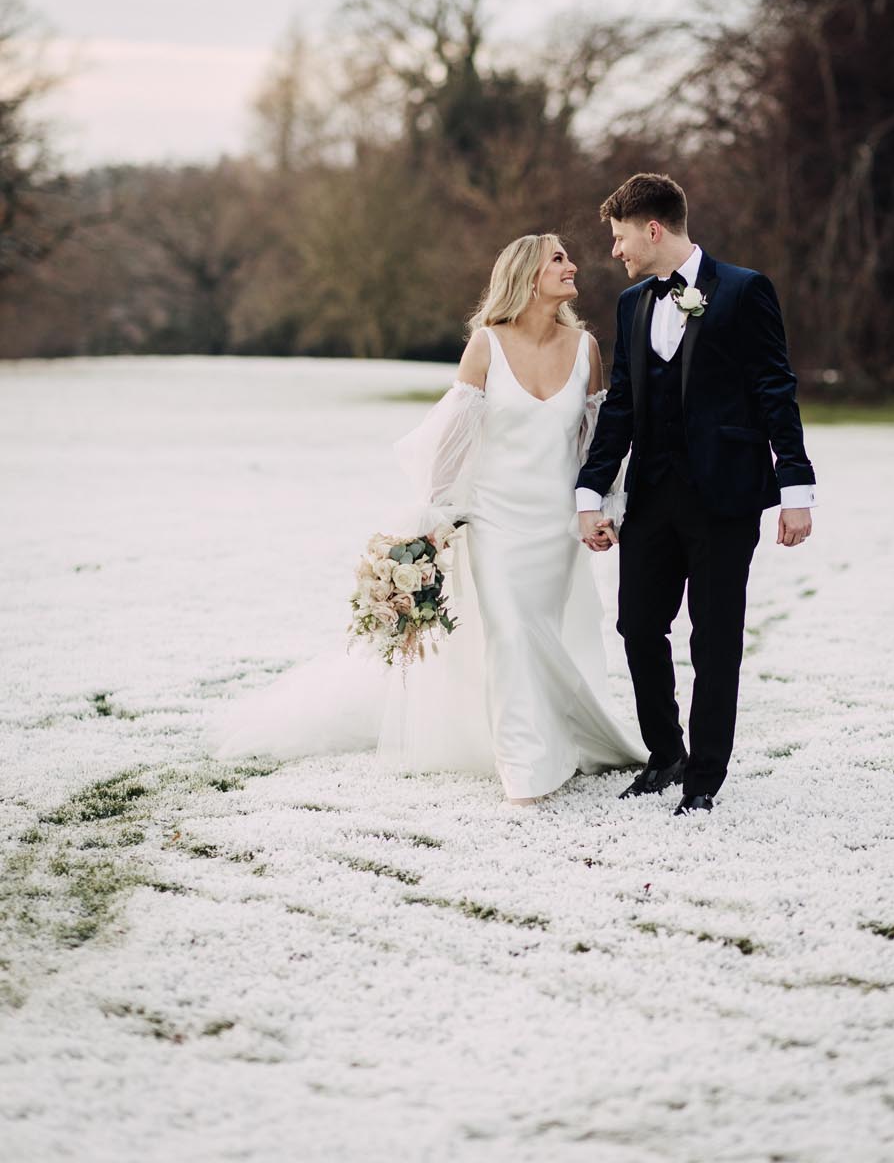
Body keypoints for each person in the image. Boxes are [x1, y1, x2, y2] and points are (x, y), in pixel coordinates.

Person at [210, 233, 644, 804]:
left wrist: (601, 507)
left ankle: (575, 734)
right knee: (511, 635)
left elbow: (597, 443)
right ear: (525, 276)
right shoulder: (486, 346)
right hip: (493, 521)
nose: (572, 265)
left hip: (555, 526)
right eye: (557, 258)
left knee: (544, 638)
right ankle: (525, 770)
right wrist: (433, 520)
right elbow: (449, 445)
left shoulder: (585, 347)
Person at [576, 173, 816, 815]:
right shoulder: (631, 306)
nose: (617, 252)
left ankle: (705, 777)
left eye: (622, 238)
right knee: (636, 627)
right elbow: (621, 406)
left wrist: (795, 486)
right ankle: (665, 754)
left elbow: (775, 391)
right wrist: (590, 491)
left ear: (653, 229)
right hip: (653, 496)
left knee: (715, 639)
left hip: (724, 498)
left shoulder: (743, 291)